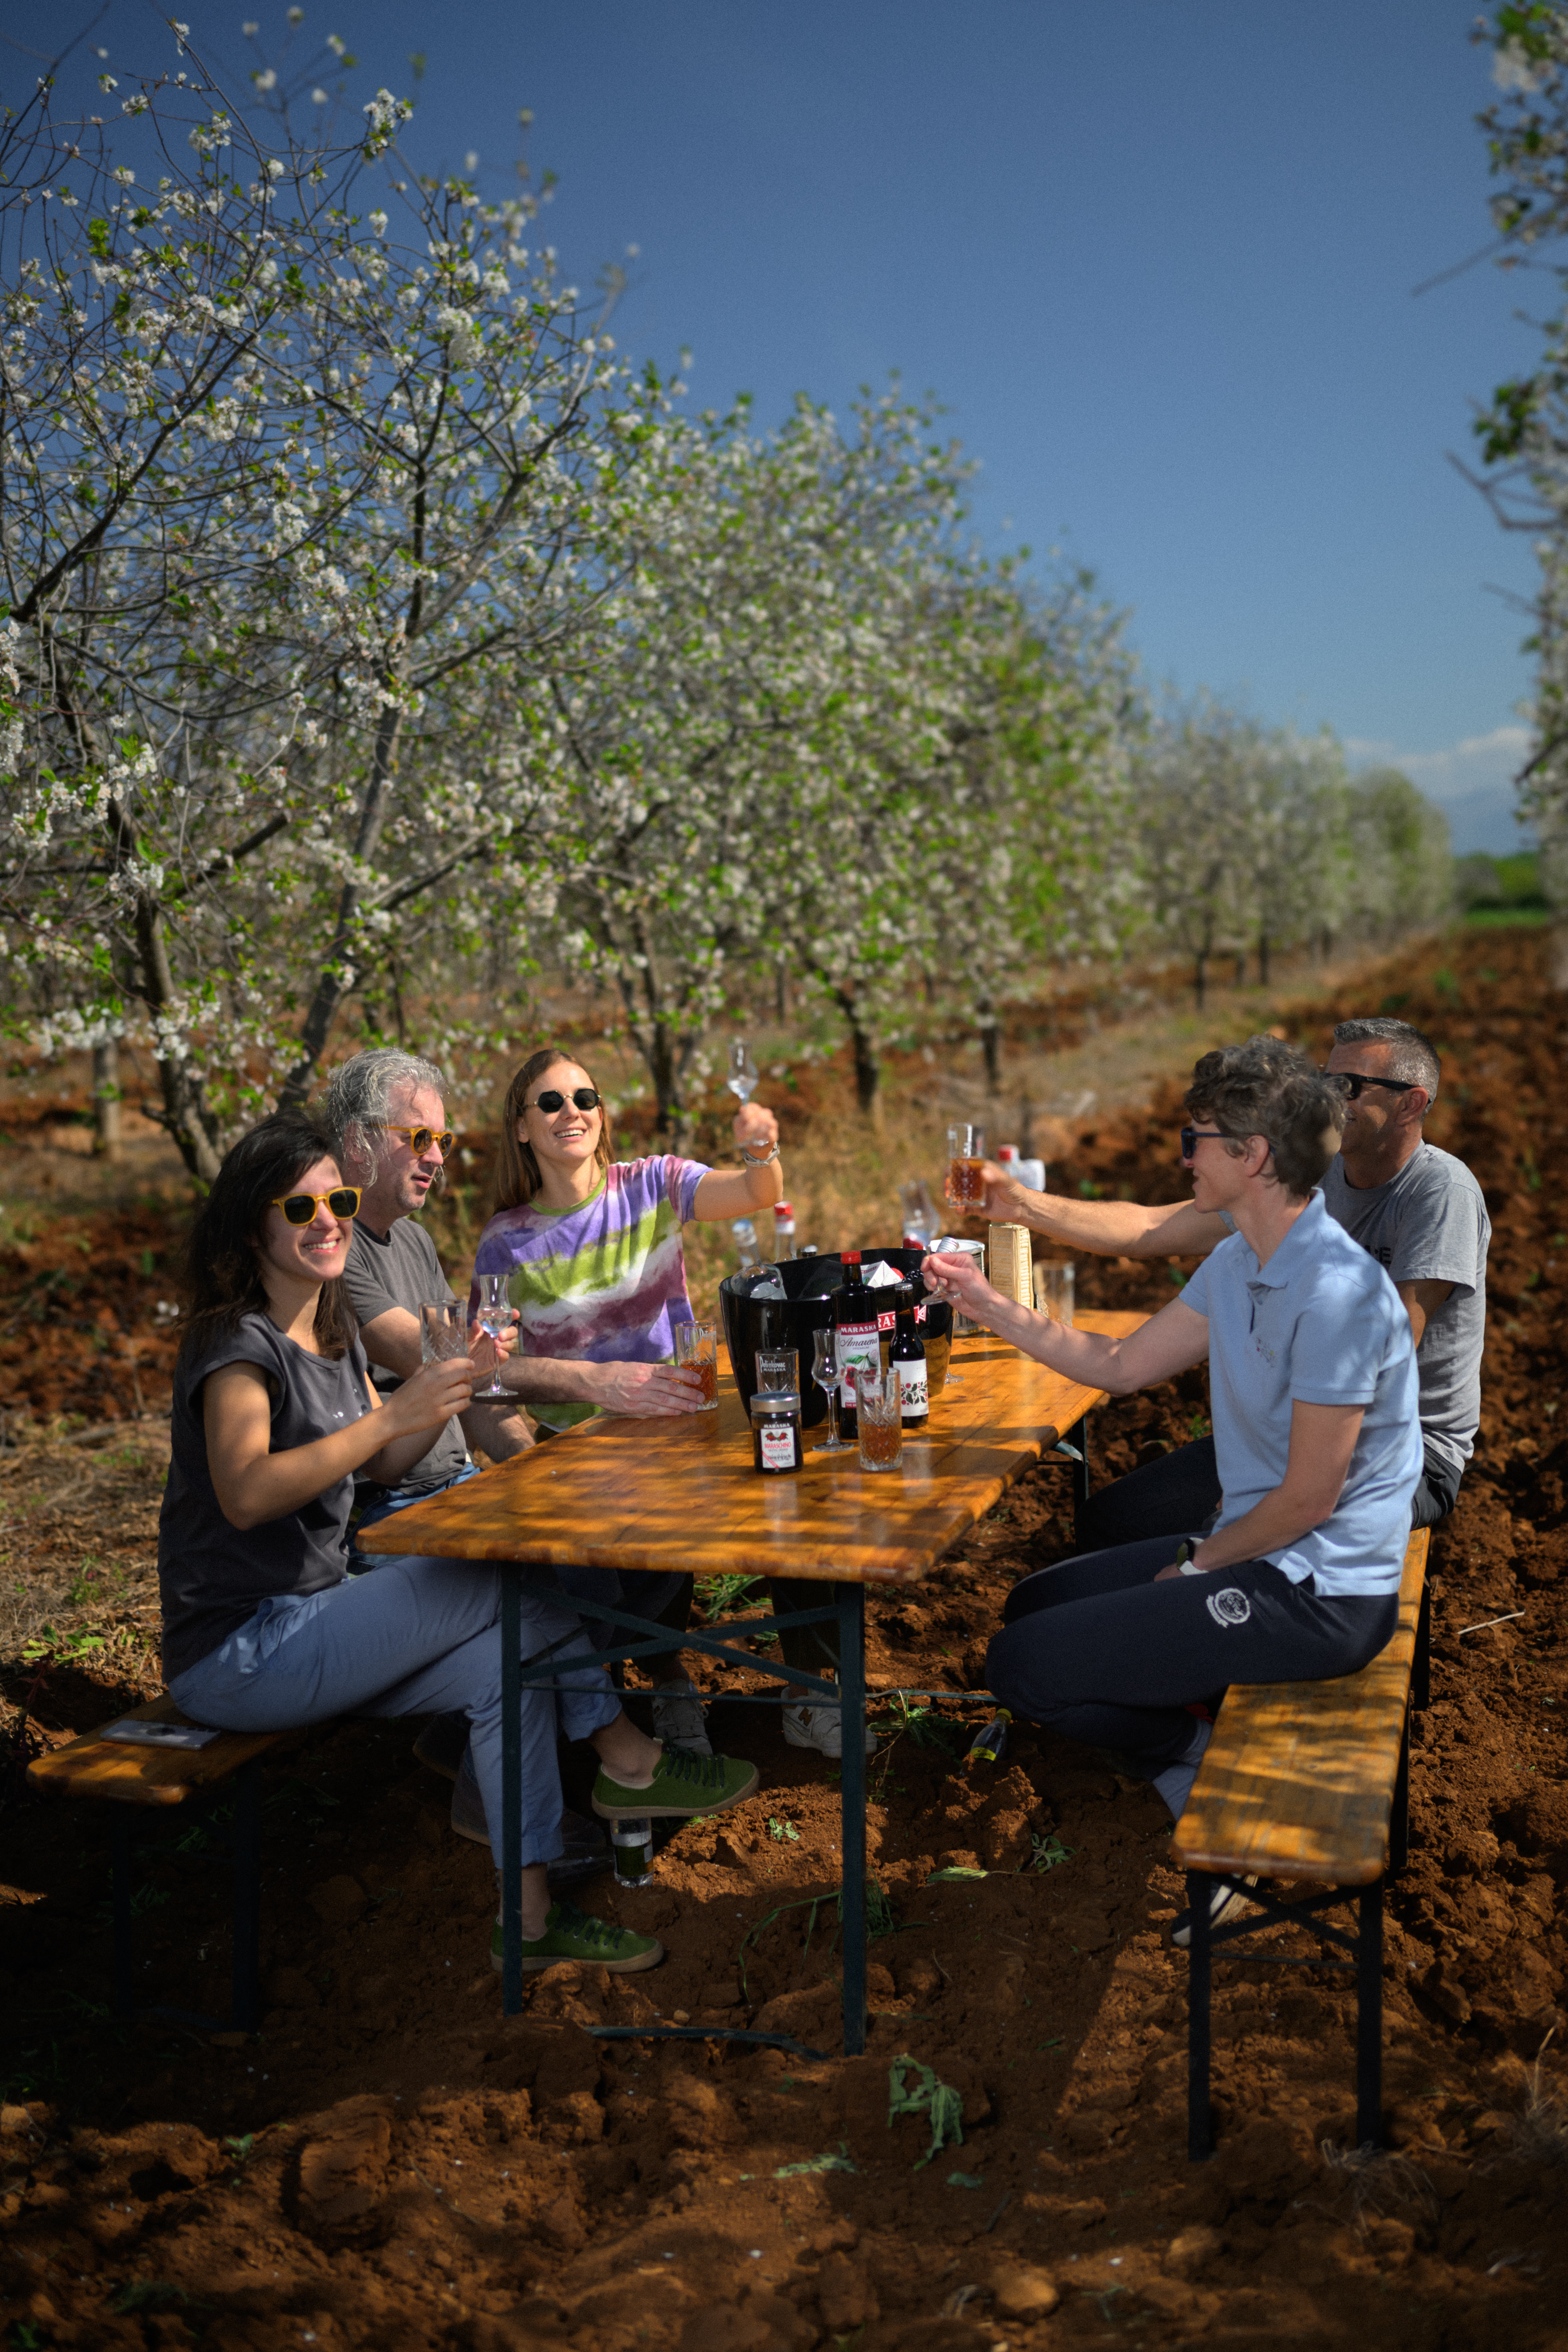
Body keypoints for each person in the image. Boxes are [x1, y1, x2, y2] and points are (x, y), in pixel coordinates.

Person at [157, 1110, 758, 1976]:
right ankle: (627, 1758)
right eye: (301, 1210)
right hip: (241, 1648)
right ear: (251, 1222)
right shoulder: (236, 1345)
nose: (328, 1223)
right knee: (501, 1581)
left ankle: (530, 1919)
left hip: (316, 1618)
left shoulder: (328, 1332)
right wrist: (394, 1416)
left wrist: (444, 1390)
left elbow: (383, 1460)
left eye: (339, 1203)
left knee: (501, 1664)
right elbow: (247, 1493)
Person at [923, 1040, 1421, 1941]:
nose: (1183, 1157)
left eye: (1196, 1140)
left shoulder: (1341, 1293)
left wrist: (1197, 1565)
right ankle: (1195, 1707)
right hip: (1259, 1552)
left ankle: (1191, 1757)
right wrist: (989, 1306)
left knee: (1022, 1668)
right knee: (1031, 1603)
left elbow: (1309, 1502)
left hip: (1320, 1594)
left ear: (1252, 1155)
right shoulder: (1240, 1260)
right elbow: (1117, 1367)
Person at [468, 1046, 875, 1760]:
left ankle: (808, 1688)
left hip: (685, 1433)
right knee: (599, 1596)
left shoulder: (652, 1184)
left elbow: (754, 1191)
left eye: (586, 1099)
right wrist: (588, 1388)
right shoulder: (506, 1242)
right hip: (583, 1455)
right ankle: (659, 1682)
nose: (573, 1114)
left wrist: (762, 1149)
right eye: (552, 1103)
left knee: (797, 1494)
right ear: (522, 1128)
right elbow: (495, 1371)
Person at [957, 1018, 1487, 1541]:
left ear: (1411, 1104)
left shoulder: (1439, 1195)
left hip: (1399, 1452)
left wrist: (1268, 1489)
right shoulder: (1305, 1182)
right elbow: (1148, 1229)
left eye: (1349, 1087)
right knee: (1108, 1524)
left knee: (1210, 1555)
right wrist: (1021, 1205)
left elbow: (1375, 1363)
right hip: (1281, 1432)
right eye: (1326, 1081)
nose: (1331, 1099)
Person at [318, 1047, 603, 1883]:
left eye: (443, 1141)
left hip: (458, 1489)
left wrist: (546, 1468)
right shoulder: (337, 1252)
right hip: (400, 1513)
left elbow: (473, 1394)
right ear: (360, 1142)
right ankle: (533, 1784)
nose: (439, 1159)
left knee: (604, 1553)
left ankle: (491, 1747)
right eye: (421, 1139)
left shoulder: (409, 1239)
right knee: (544, 1585)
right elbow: (440, 1369)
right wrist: (577, 1382)